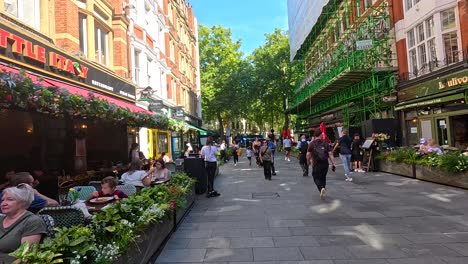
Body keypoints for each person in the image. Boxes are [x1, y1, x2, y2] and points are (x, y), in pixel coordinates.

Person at [0, 183, 47, 263]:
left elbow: (26, 256)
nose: (3, 203)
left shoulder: (32, 221)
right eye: (2, 200)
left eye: (10, 199)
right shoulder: (1, 219)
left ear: (23, 202)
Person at [307, 130, 336, 200]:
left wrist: (308, 161)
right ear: (320, 135)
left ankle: (321, 188)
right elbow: (330, 154)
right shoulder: (325, 144)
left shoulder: (311, 144)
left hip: (316, 163)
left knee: (315, 177)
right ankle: (323, 188)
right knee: (323, 176)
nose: (323, 136)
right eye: (322, 135)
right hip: (325, 163)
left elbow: (308, 154)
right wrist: (333, 163)